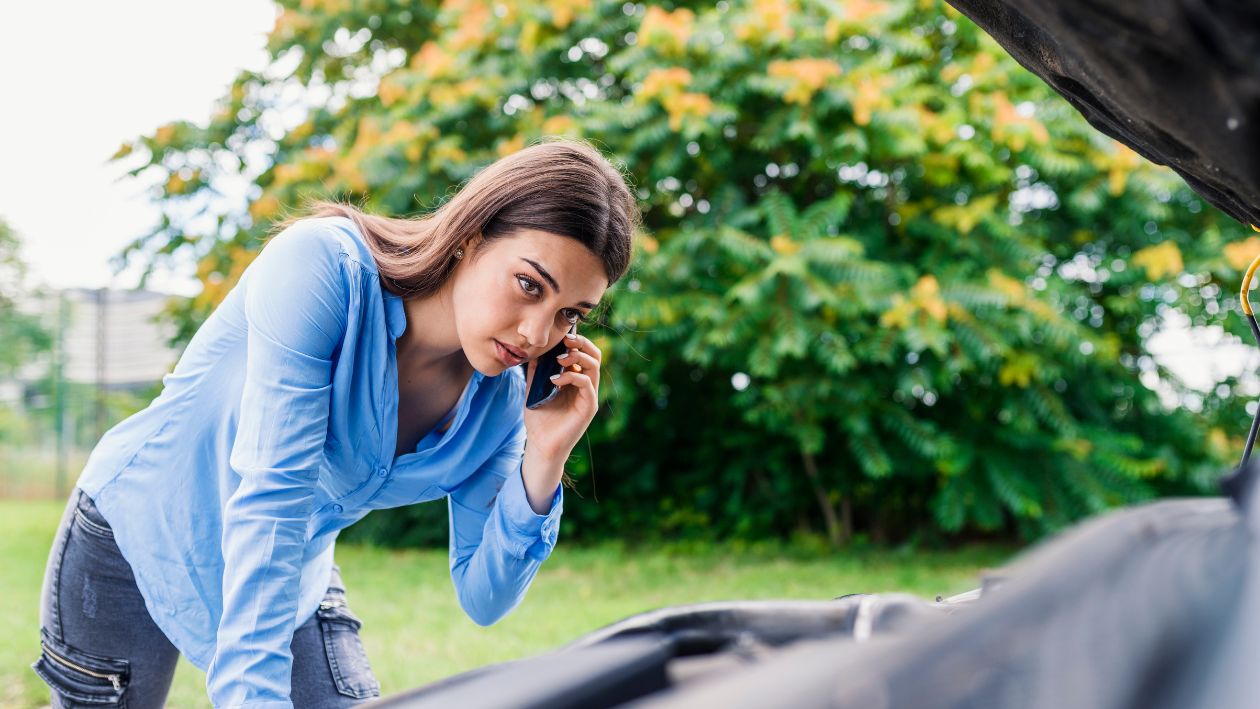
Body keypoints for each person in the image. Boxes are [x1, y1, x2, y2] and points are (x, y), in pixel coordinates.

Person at [33, 139, 639, 709]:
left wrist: (544, 457)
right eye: (529, 285)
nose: (537, 334)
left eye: (569, 314)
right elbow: (273, 498)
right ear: (471, 236)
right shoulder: (321, 268)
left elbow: (484, 598)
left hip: (289, 568)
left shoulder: (501, 402)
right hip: (139, 533)